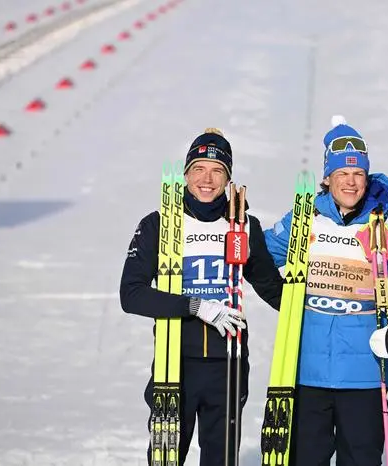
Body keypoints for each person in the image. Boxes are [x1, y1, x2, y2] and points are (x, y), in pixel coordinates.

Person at [263, 116, 388, 466]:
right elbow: (260, 255)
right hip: (307, 372)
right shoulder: (303, 220)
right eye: (342, 175)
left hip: (364, 374)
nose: (351, 183)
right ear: (327, 178)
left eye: (358, 175)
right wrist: (280, 297)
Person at [119, 128, 284, 466]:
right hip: (175, 363)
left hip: (229, 365)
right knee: (166, 459)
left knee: (221, 459)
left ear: (228, 178)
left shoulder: (243, 225)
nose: (207, 179)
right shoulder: (159, 225)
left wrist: (318, 301)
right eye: (199, 169)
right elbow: (131, 295)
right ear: (186, 173)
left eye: (217, 171)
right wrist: (194, 306)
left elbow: (272, 288)